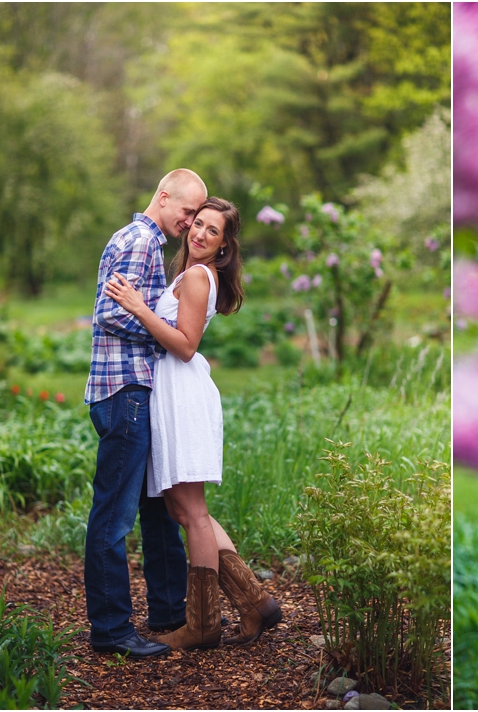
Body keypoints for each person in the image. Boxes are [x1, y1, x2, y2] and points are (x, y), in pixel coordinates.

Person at [105, 197, 282, 651]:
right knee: (181, 509)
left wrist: (138, 307)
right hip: (172, 390)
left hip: (181, 390)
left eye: (213, 231)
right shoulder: (188, 273)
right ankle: (255, 600)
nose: (200, 233)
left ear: (225, 245)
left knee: (193, 512)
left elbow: (184, 345)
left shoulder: (201, 277)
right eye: (198, 224)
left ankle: (202, 625)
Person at [84, 169, 207, 659]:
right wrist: (166, 332)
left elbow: (133, 309)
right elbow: (110, 312)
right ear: (163, 196)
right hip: (125, 391)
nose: (191, 222)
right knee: (114, 517)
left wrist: (164, 330)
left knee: (157, 509)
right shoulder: (139, 240)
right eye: (187, 211)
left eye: (198, 215)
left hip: (139, 391)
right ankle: (111, 630)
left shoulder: (147, 243)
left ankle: (169, 612)